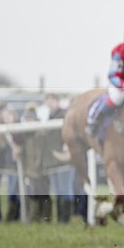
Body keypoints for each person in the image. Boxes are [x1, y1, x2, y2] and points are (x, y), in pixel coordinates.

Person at [44, 93, 74, 223]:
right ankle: (60, 218)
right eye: (47, 101)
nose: (49, 103)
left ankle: (65, 219)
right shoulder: (49, 117)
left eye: (51, 100)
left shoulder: (63, 115)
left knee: (65, 189)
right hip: (53, 159)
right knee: (57, 190)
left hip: (64, 158)